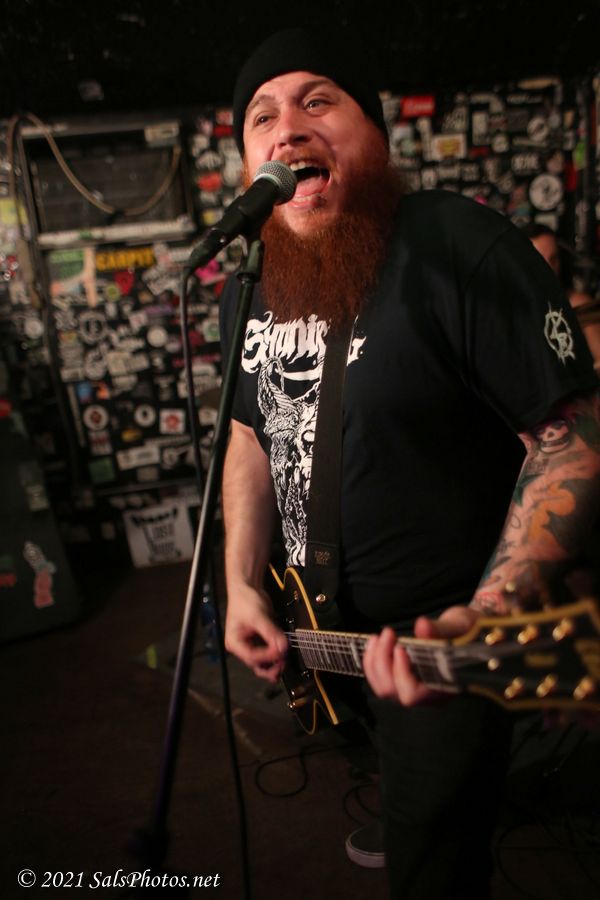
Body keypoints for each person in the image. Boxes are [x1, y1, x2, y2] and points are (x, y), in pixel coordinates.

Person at [218, 28, 600, 899]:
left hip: (442, 652)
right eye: (262, 117)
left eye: (318, 101)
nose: (288, 127)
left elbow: (573, 434)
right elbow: (248, 434)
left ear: (376, 134)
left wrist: (487, 615)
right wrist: (240, 585)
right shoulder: (257, 278)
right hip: (323, 639)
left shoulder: (455, 242)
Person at [523, 222, 600, 369]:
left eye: (553, 259)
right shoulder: (509, 311)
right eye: (540, 260)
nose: (549, 268)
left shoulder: (578, 305)